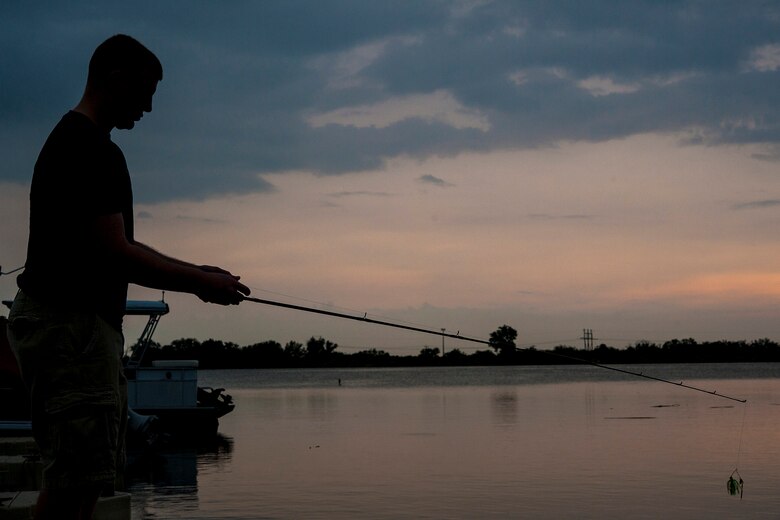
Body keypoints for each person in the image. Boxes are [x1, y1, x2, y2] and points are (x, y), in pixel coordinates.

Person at [5, 34, 250, 520]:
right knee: (74, 483)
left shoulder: (74, 142)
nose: (150, 107)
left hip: (69, 330)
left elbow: (115, 246)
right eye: (146, 92)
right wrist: (201, 284)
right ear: (115, 80)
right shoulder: (90, 148)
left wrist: (197, 272)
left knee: (85, 479)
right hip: (72, 332)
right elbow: (118, 254)